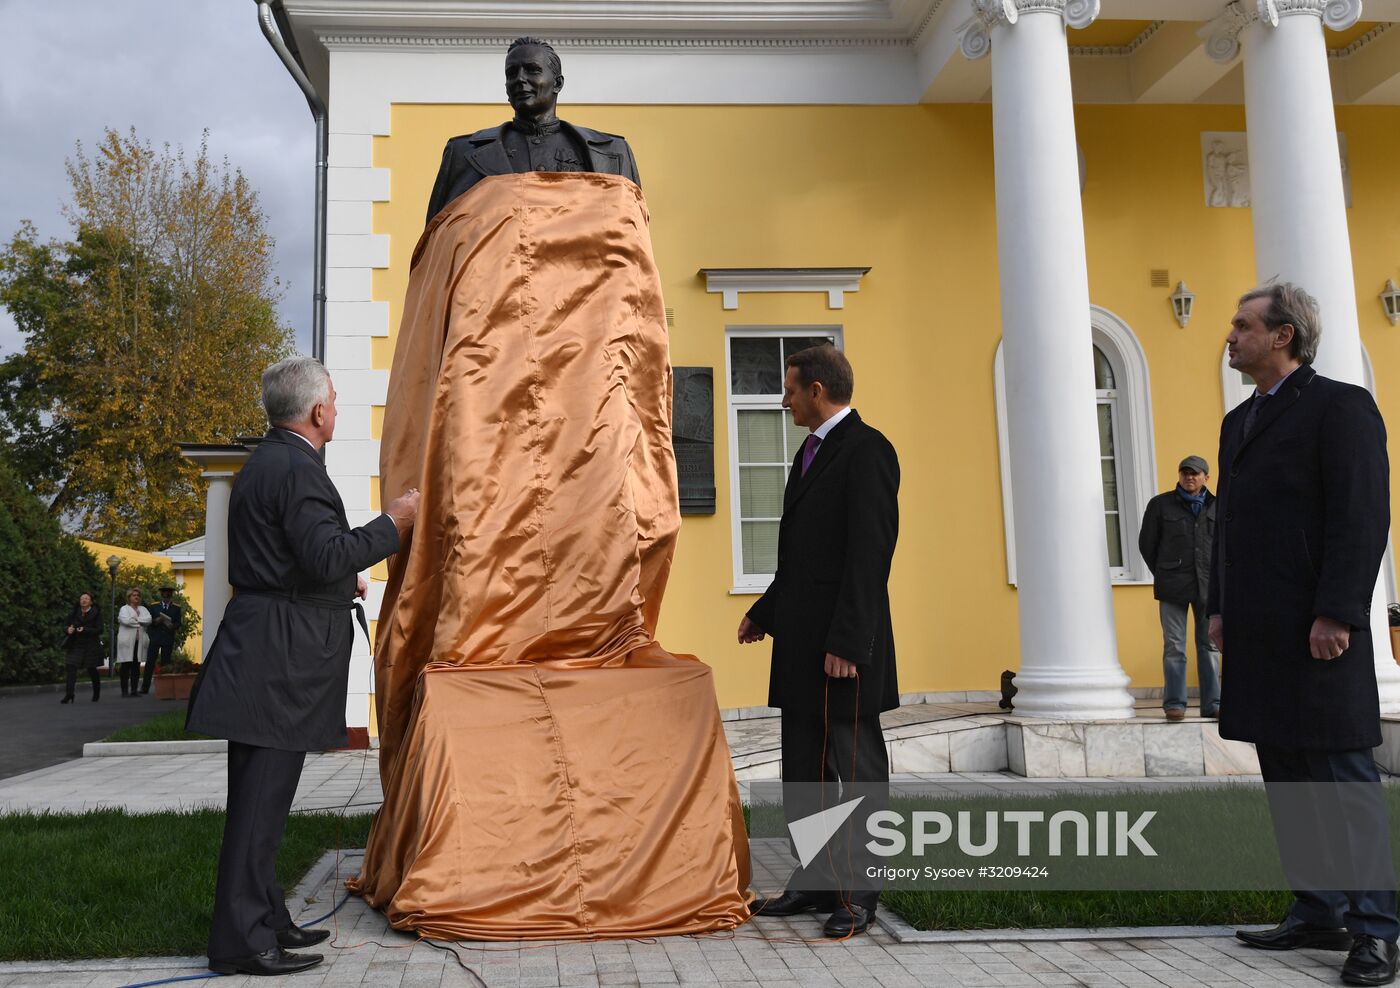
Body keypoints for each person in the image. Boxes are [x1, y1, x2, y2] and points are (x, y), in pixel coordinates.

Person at [185, 356, 419, 977]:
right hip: (275, 660)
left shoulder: (272, 461)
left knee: (265, 804)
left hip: (267, 645)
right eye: (336, 402)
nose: (337, 410)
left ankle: (266, 920)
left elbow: (295, 561)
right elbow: (322, 553)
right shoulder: (296, 468)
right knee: (259, 807)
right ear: (317, 411)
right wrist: (392, 524)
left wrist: (342, 583)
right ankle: (240, 941)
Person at [1208, 283, 1397, 986]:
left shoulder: (1339, 407)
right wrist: (1220, 607)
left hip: (1320, 633)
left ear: (1283, 335)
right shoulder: (1239, 423)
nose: (1231, 335)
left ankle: (1377, 931)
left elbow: (1362, 515)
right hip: (1259, 635)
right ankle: (1318, 909)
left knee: (1344, 783)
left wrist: (1340, 611)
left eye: (1243, 325)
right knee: (1287, 778)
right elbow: (1230, 527)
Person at [737, 344, 900, 938]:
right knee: (804, 771)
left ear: (817, 392)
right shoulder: (809, 454)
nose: (783, 401)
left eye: (789, 389)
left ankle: (857, 896)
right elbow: (801, 557)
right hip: (801, 648)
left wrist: (850, 642)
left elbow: (869, 557)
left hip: (843, 651)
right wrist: (766, 611)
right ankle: (813, 881)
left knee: (853, 770)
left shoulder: (868, 451)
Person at [423, 36, 640, 225]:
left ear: (557, 84)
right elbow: (438, 242)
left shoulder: (613, 152)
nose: (519, 79)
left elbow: (634, 239)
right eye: (512, 73)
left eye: (532, 70)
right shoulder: (462, 153)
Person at [1138, 455, 1220, 721]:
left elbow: (1225, 547)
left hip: (1209, 586)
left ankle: (1213, 704)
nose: (1189, 478)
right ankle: (1175, 704)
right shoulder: (1160, 505)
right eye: (1185, 473)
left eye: (1195, 474)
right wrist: (1164, 571)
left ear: (1206, 477)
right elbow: (1147, 545)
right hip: (1173, 586)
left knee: (1209, 645)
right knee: (1174, 646)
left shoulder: (1218, 506)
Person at [61, 592, 103, 703]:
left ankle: (96, 693)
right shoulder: (75, 612)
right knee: (71, 667)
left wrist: (85, 629)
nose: (83, 600)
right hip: (76, 644)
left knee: (91, 669)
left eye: (86, 598)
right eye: (81, 599)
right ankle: (69, 694)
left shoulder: (96, 613)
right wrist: (68, 629)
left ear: (91, 602)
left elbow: (99, 629)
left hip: (91, 645)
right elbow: (66, 625)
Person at [141, 586, 181, 694]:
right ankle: (145, 687)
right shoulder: (154, 606)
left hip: (168, 638)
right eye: (165, 594)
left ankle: (165, 689)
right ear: (161, 595)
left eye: (169, 594)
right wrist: (157, 620)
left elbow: (178, 623)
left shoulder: (176, 608)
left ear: (171, 595)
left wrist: (173, 626)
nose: (167, 596)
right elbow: (149, 621)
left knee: (166, 663)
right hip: (155, 637)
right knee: (150, 662)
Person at [115, 588, 151, 698]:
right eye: (133, 595)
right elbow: (126, 621)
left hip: (139, 642)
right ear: (129, 597)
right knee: (125, 665)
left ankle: (134, 690)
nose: (136, 597)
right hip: (127, 642)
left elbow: (149, 620)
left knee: (136, 665)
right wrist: (140, 621)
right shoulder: (124, 609)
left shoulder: (143, 609)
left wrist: (135, 620)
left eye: (138, 595)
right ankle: (124, 691)